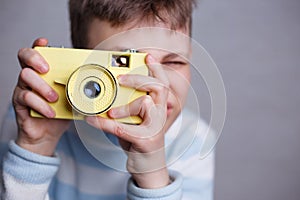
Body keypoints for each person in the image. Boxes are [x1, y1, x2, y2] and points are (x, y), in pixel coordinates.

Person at [0, 0, 215, 199]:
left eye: (174, 62)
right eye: (124, 61)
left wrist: (153, 175)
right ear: (81, 64)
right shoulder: (32, 121)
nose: (157, 85)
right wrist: (35, 149)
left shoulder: (194, 140)